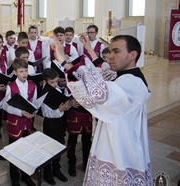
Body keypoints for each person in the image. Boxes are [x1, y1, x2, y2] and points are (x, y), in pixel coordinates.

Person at [54, 34, 151, 185]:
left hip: (119, 150)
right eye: (109, 51)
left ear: (133, 55)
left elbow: (96, 93)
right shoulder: (128, 74)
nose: (110, 56)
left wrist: (64, 61)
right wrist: (89, 49)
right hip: (120, 138)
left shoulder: (131, 83)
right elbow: (103, 68)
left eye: (116, 52)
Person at [2, 59, 37, 186]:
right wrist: (20, 112)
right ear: (15, 72)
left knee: (27, 151)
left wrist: (33, 112)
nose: (24, 74)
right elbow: (5, 106)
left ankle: (26, 176)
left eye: (26, 71)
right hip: (15, 124)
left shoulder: (32, 85)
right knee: (15, 152)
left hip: (27, 124)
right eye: (21, 71)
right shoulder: (11, 87)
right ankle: (14, 178)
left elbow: (35, 103)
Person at [39, 68, 71, 185]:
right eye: (52, 82)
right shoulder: (44, 93)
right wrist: (60, 109)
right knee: (49, 148)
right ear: (44, 82)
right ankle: (48, 173)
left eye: (56, 81)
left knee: (58, 146)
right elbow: (47, 113)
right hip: (50, 123)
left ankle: (56, 169)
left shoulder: (57, 89)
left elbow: (63, 104)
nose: (55, 84)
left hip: (59, 122)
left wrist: (67, 106)